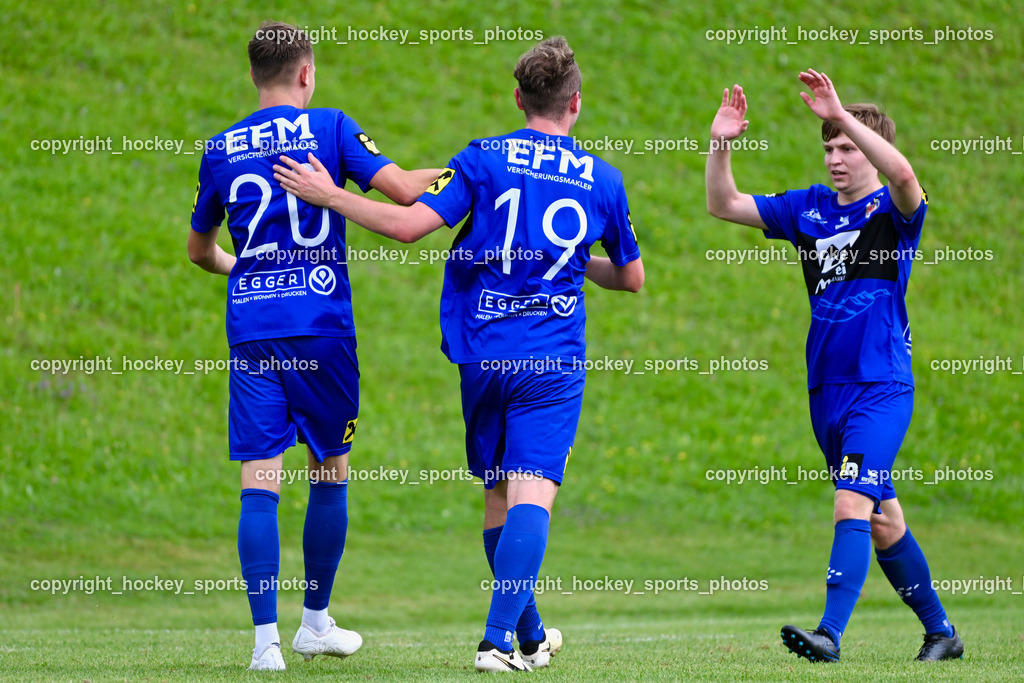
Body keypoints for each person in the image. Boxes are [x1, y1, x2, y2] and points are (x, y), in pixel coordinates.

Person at [273, 36, 644, 672]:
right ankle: (496, 641)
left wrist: (332, 195)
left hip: (484, 355)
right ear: (575, 103)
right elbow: (631, 277)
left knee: (498, 494)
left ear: (519, 98)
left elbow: (408, 223)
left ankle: (528, 635)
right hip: (551, 358)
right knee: (533, 494)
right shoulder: (603, 180)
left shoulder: (482, 159)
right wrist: (577, 264)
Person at [188, 21, 439, 671]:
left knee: (259, 483)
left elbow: (198, 250)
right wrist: (457, 172)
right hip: (321, 326)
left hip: (253, 329)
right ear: (306, 72)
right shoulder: (329, 127)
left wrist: (243, 270)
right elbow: (406, 193)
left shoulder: (220, 148)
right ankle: (316, 620)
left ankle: (264, 644)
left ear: (252, 75)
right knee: (329, 469)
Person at [705, 69, 963, 663]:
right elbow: (723, 204)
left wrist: (843, 114)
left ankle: (830, 635)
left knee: (851, 503)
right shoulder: (810, 209)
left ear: (869, 148)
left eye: (846, 146)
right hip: (827, 391)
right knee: (881, 520)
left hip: (881, 386)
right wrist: (721, 143)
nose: (835, 157)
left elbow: (904, 174)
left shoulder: (895, 211)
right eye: (828, 147)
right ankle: (942, 633)